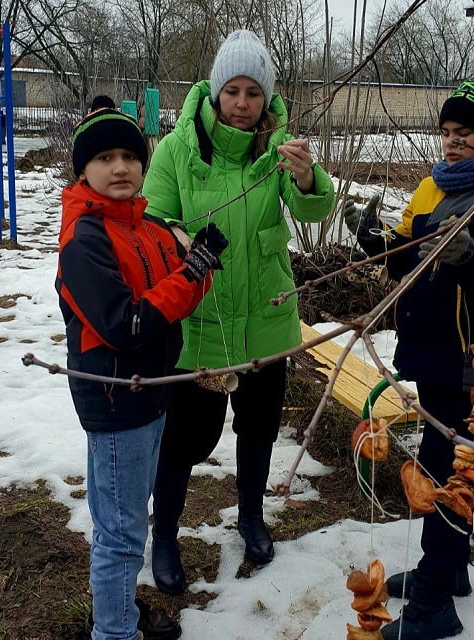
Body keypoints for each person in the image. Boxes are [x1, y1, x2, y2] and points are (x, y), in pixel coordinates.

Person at [344, 63, 474, 640]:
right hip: (430, 348)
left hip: (467, 357)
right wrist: (379, 241)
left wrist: (472, 261)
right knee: (447, 458)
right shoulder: (442, 183)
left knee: (445, 466)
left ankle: (434, 602)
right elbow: (414, 258)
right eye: (448, 131)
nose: (453, 142)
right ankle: (448, 572)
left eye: (466, 134)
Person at [140, 30, 335, 594]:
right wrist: (183, 240)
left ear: (265, 97)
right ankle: (167, 534)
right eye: (233, 90)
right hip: (200, 323)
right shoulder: (179, 148)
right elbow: (152, 220)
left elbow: (314, 206)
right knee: (184, 438)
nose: (243, 103)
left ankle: (251, 519)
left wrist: (305, 175)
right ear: (215, 91)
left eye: (253, 92)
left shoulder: (279, 143)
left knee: (258, 428)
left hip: (267, 318)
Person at [57, 107, 228, 640]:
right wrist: (190, 275)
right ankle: (113, 632)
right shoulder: (85, 239)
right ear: (83, 169)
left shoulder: (147, 227)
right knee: (122, 532)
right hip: (117, 402)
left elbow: (177, 297)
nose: (120, 167)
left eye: (130, 155)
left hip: (154, 394)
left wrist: (198, 265)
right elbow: (125, 324)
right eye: (104, 157)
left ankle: (117, 613)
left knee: (126, 516)